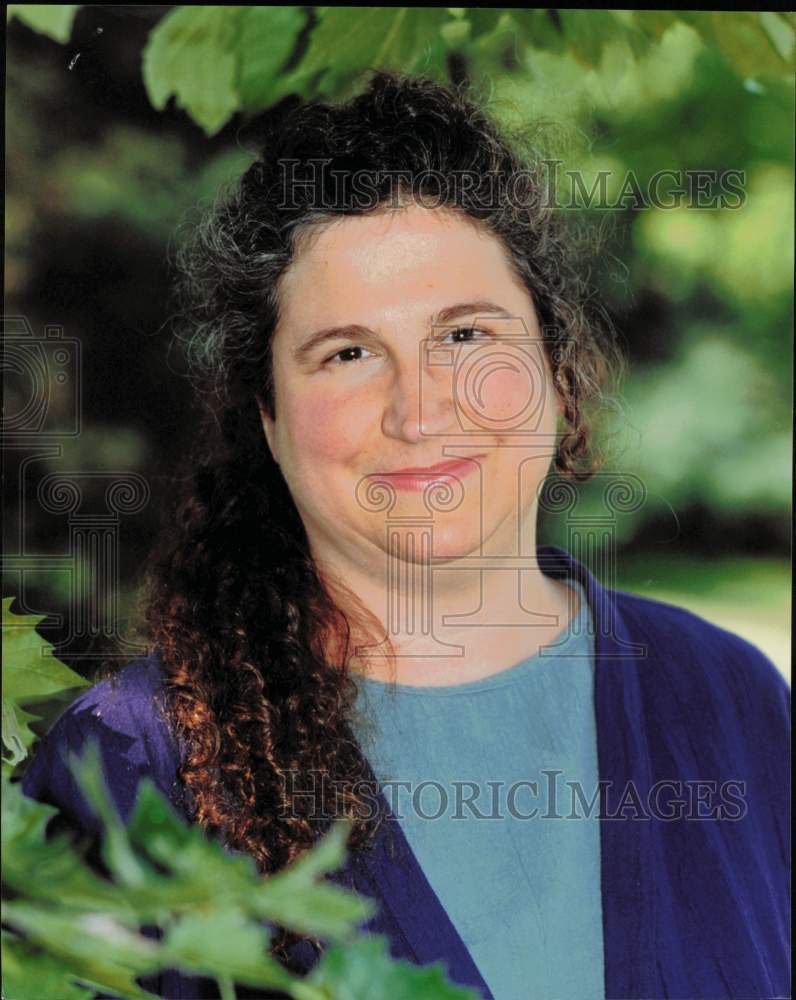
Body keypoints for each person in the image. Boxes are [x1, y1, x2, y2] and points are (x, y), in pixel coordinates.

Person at [22, 72, 789, 1000]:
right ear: (267, 416)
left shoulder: (731, 704)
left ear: (554, 363)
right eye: (346, 353)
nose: (420, 411)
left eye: (464, 336)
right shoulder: (129, 770)